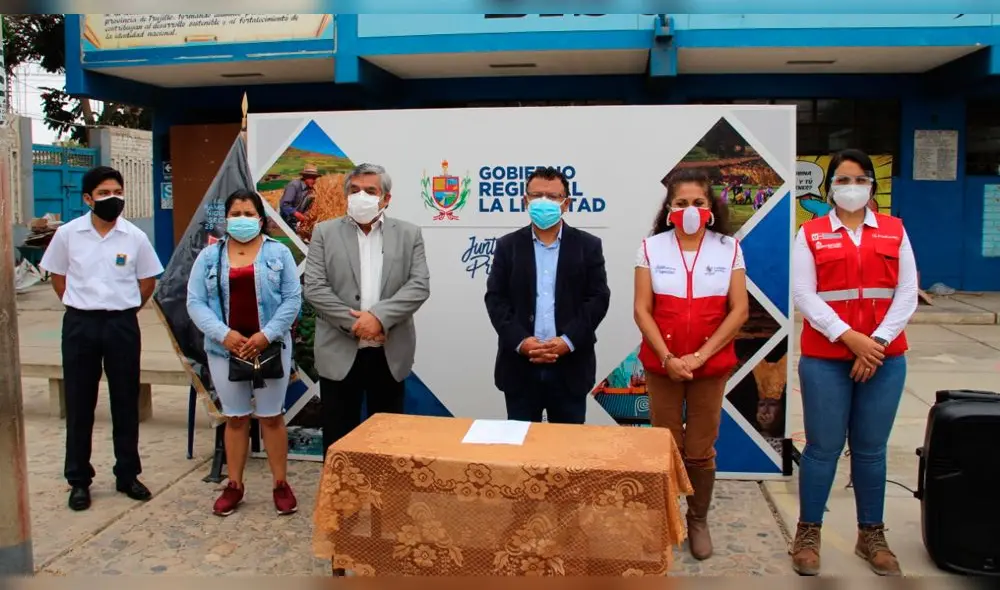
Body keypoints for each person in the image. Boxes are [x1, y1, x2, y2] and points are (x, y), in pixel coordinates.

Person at [789, 149, 917, 577]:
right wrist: (850, 338)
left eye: (858, 180)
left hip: (883, 359)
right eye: (842, 181)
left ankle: (871, 535)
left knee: (870, 451)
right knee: (822, 449)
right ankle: (808, 534)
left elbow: (907, 292)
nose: (850, 188)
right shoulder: (810, 234)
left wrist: (875, 343)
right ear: (829, 189)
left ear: (871, 186)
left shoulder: (895, 232)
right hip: (827, 358)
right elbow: (804, 294)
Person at [633, 168, 749, 560]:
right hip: (662, 364)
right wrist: (667, 358)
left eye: (698, 202)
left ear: (711, 207)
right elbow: (642, 309)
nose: (690, 210)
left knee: (700, 448)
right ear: (669, 209)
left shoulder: (728, 248)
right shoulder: (651, 248)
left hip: (710, 366)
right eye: (681, 203)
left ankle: (697, 520)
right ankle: (664, 520)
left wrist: (700, 356)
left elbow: (739, 312)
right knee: (665, 444)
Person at [39, 166, 164, 511]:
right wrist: (80, 306)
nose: (113, 199)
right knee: (80, 403)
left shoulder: (134, 237)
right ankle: (79, 479)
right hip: (81, 325)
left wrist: (124, 310)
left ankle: (128, 474)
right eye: (105, 193)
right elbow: (58, 277)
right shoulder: (68, 234)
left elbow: (147, 282)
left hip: (121, 325)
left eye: (117, 192)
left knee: (125, 401)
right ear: (88, 198)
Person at [187, 190, 302, 517]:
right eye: (235, 213)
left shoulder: (279, 253)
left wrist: (266, 335)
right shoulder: (209, 257)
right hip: (225, 351)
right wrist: (224, 335)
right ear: (226, 219)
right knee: (235, 418)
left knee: (271, 417)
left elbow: (293, 299)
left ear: (261, 219)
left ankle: (281, 484)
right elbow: (194, 301)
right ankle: (234, 485)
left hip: (270, 349)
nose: (242, 219)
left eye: (248, 213)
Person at [303, 163, 430, 457]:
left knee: (387, 443)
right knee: (338, 438)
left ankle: (385, 502)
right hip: (339, 352)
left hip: (389, 353)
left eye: (370, 191)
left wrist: (379, 319)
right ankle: (342, 502)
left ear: (386, 198)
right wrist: (357, 324)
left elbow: (418, 286)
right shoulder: (324, 233)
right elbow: (315, 288)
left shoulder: (409, 234)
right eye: (355, 190)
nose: (361, 196)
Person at [485, 166, 611, 424]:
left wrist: (568, 340)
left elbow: (598, 298)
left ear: (566, 204)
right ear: (525, 201)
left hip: (571, 367)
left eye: (552, 197)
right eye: (536, 195)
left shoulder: (588, 246)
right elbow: (496, 299)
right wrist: (522, 342)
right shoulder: (507, 246)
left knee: (567, 456)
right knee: (521, 453)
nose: (544, 202)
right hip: (520, 367)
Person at [279, 165, 320, 232]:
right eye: (311, 178)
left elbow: (307, 207)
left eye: (315, 178)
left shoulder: (311, 190)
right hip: (284, 219)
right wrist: (300, 216)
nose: (314, 180)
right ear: (305, 177)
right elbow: (284, 205)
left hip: (295, 221)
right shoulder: (294, 185)